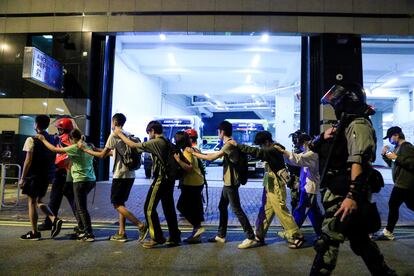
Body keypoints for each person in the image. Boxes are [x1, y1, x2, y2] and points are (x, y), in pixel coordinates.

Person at [309, 83, 396, 275]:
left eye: (336, 102)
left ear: (347, 101)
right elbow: (312, 148)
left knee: (327, 243)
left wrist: (352, 196)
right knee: (360, 241)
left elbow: (359, 162)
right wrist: (323, 136)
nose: (335, 107)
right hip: (337, 191)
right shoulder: (344, 124)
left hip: (345, 194)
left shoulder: (359, 124)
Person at [229, 131, 305, 249]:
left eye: (261, 144)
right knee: (266, 210)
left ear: (267, 142)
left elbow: (258, 152)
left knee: (281, 210)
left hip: (276, 185)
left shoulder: (272, 149)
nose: (261, 147)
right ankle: (259, 236)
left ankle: (297, 236)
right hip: (270, 183)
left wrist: (238, 145)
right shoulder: (273, 148)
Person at [79, 113, 148, 243]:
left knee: (116, 204)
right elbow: (113, 152)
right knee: (121, 203)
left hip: (120, 175)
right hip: (130, 174)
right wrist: (97, 148)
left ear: (114, 122)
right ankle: (122, 233)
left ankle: (141, 225)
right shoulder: (128, 134)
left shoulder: (114, 135)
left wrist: (85, 150)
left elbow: (101, 156)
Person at [114, 120, 181, 248]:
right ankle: (174, 236)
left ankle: (157, 237)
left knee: (149, 208)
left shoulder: (156, 142)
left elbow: (133, 145)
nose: (148, 135)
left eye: (148, 132)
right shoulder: (166, 141)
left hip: (161, 179)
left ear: (152, 131)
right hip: (169, 180)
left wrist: (120, 134)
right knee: (169, 208)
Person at [191, 121, 257, 249]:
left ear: (222, 132)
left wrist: (193, 153)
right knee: (222, 207)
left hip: (231, 183)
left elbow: (211, 158)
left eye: (218, 131)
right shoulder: (230, 143)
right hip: (228, 182)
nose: (218, 133)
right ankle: (221, 235)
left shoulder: (228, 145)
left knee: (236, 209)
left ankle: (250, 237)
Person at [37, 128, 96, 242]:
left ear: (72, 139)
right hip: (90, 180)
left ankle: (88, 233)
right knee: (78, 205)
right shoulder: (87, 146)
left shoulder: (75, 147)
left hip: (80, 180)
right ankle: (83, 229)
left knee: (81, 208)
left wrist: (43, 139)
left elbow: (55, 149)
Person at [18, 115, 63, 240]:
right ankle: (54, 219)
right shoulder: (51, 139)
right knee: (39, 201)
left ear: (36, 125)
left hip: (33, 176)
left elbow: (28, 161)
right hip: (46, 175)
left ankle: (34, 232)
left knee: (32, 202)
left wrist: (22, 177)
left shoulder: (31, 140)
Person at [274, 133, 323, 237]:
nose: (299, 146)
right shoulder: (308, 153)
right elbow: (296, 160)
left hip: (309, 188)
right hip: (307, 187)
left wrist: (283, 151)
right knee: (313, 213)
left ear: (305, 143)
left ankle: (293, 233)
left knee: (300, 211)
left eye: (300, 144)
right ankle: (321, 234)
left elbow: (297, 159)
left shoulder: (312, 154)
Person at [374, 126, 414, 241]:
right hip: (402, 183)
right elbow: (394, 163)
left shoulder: (407, 147)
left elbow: (411, 164)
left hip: (404, 183)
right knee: (411, 205)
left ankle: (388, 232)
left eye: (390, 138)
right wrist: (385, 155)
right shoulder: (397, 147)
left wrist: (395, 157)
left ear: (396, 135)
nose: (389, 140)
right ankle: (388, 232)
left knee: (393, 204)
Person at [38, 118, 77, 233]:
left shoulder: (64, 139)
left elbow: (58, 151)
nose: (58, 131)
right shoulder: (68, 138)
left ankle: (49, 222)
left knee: (57, 199)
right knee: (63, 199)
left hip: (62, 172)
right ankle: (49, 222)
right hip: (66, 173)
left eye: (59, 129)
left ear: (63, 129)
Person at [174, 131, 205, 243]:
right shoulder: (192, 149)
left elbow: (189, 168)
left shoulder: (187, 151)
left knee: (181, 206)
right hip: (198, 182)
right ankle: (195, 236)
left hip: (191, 183)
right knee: (195, 209)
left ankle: (197, 227)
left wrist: (178, 161)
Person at [286, 130, 303, 212]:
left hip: (300, 178)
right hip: (296, 177)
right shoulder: (297, 150)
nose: (293, 141)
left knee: (297, 200)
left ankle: (296, 220)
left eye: (295, 139)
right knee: (295, 201)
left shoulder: (303, 151)